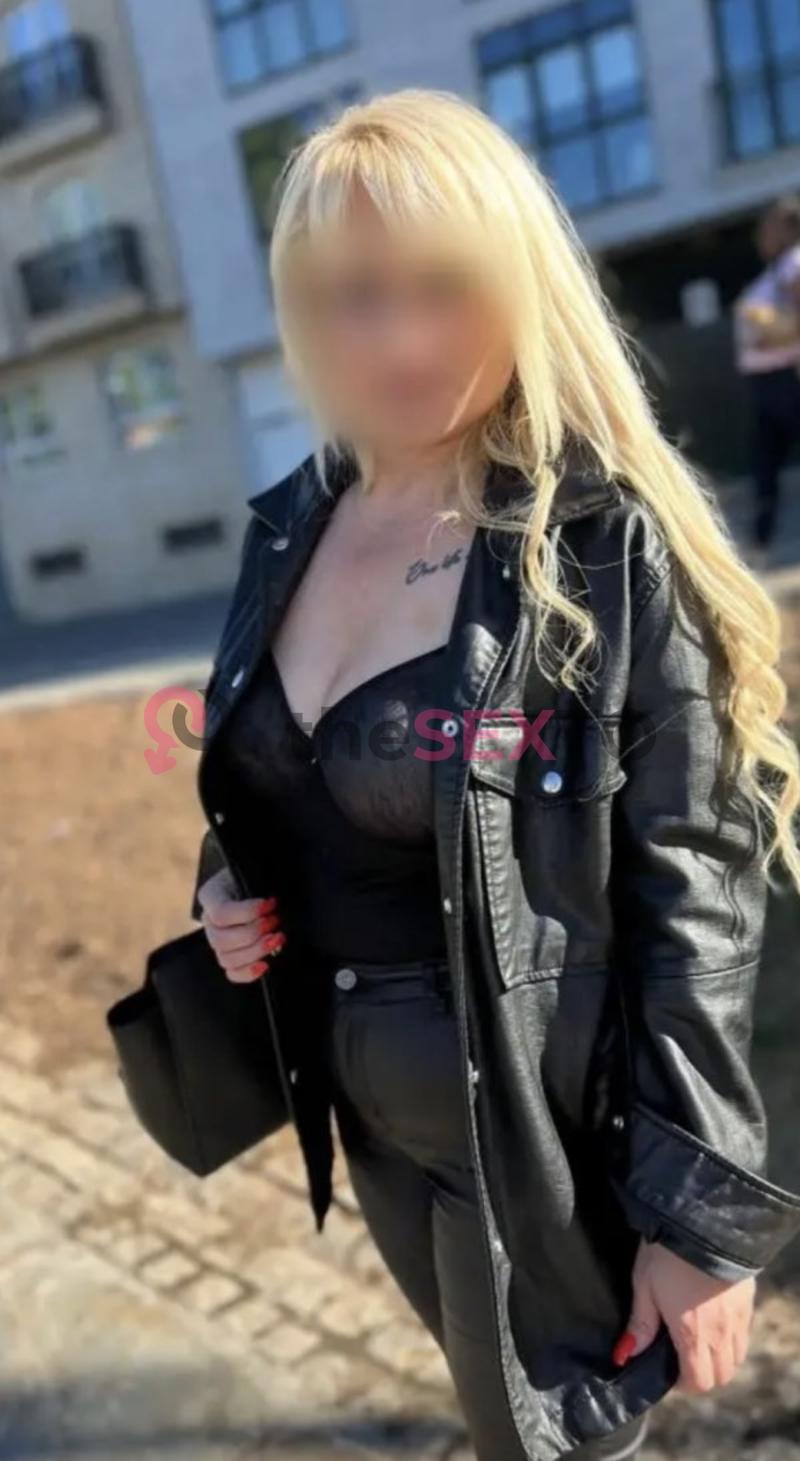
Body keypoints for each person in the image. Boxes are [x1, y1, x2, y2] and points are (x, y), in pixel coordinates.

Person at [189, 90, 800, 1461]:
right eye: (354, 295)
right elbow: (271, 777)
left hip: (531, 1145)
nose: (399, 339)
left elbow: (695, 885)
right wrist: (228, 884)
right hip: (367, 1125)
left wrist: (700, 1218)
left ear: (518, 279)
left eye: (444, 286)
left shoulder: (597, 544)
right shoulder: (295, 520)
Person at [734, 194, 800, 565]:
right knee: (765, 469)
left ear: (788, 228)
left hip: (786, 381)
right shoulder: (778, 270)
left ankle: (760, 545)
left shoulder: (794, 263)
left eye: (769, 226)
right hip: (771, 384)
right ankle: (760, 545)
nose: (761, 234)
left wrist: (768, 333)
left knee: (766, 468)